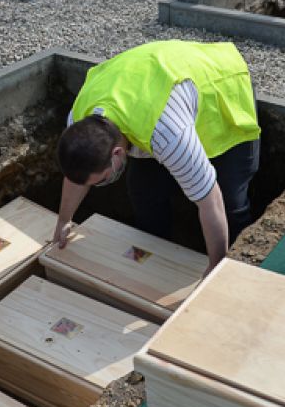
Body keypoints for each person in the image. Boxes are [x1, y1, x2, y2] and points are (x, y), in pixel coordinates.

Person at [52, 40, 261, 276]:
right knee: (145, 194)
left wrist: (215, 267)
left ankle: (239, 269)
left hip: (222, 88)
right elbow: (77, 176)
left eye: (103, 179)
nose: (101, 184)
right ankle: (154, 265)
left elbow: (210, 200)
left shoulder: (168, 134)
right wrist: (63, 220)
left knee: (231, 200)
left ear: (117, 153)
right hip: (156, 86)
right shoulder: (80, 120)